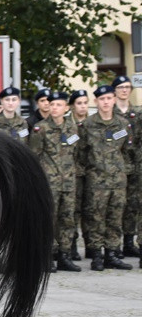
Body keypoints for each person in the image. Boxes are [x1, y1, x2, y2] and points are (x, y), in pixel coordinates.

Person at [78, 85, 132, 271]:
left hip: (118, 181)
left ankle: (112, 253)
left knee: (115, 218)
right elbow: (81, 152)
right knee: (95, 218)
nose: (106, 102)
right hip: (96, 181)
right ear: (96, 102)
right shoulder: (88, 125)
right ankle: (96, 255)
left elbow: (126, 150)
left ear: (114, 100)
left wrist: (121, 169)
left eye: (109, 98)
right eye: (102, 99)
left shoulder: (123, 125)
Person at [28, 92, 80, 272]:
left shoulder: (72, 129)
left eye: (59, 105)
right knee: (48, 219)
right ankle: (47, 256)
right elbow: (34, 155)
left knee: (68, 220)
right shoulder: (40, 129)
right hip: (50, 182)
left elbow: (77, 154)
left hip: (69, 182)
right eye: (52, 105)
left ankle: (65, 255)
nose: (55, 108)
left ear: (66, 108)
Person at [111, 75, 141, 258]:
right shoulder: (107, 113)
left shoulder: (137, 113)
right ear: (114, 91)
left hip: (135, 166)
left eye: (127, 87)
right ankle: (115, 246)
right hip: (116, 169)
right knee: (117, 206)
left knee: (133, 205)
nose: (124, 90)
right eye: (120, 87)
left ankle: (130, 242)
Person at [69, 88, 90, 260]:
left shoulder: (91, 124)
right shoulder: (69, 125)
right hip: (70, 175)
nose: (82, 107)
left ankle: (91, 246)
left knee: (89, 209)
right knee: (72, 211)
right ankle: (72, 246)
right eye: (79, 103)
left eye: (85, 103)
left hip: (90, 173)